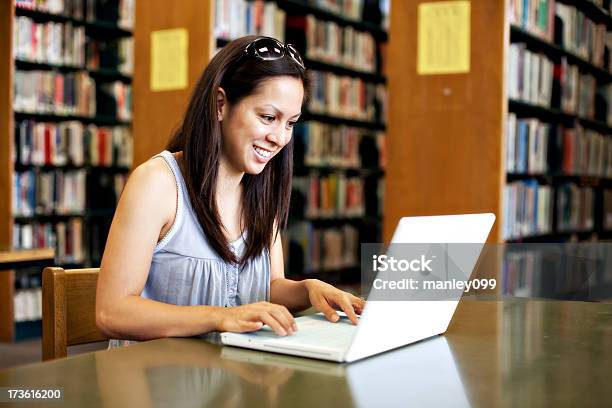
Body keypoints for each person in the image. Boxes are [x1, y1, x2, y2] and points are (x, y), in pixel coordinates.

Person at [96, 35, 365, 343]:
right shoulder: (157, 183)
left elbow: (268, 287)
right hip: (157, 383)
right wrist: (220, 317)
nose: (279, 138)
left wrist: (307, 289)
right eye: (268, 117)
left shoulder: (262, 192)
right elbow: (111, 312)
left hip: (231, 381)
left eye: (290, 123)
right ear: (220, 104)